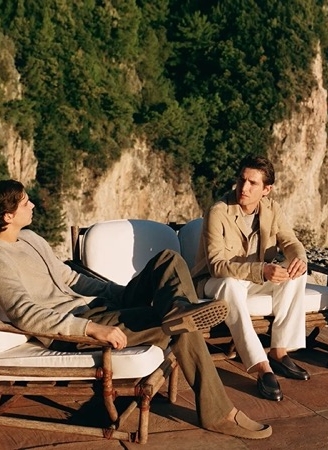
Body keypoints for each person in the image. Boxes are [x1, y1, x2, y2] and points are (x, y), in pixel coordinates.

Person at [0, 179, 272, 439]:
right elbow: (25, 313)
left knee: (169, 260)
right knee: (178, 327)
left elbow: (71, 278)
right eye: (25, 203)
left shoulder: (31, 238)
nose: (32, 205)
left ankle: (178, 308)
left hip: (99, 306)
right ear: (8, 216)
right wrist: (91, 328)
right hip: (77, 326)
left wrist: (120, 293)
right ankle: (218, 413)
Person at [191, 155, 310, 402]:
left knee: (296, 273)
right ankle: (261, 366)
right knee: (231, 285)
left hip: (252, 279)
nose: (243, 188)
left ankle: (279, 351)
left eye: (252, 183)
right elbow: (217, 266)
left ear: (267, 190)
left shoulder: (272, 209)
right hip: (213, 282)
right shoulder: (218, 211)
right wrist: (262, 270)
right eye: (241, 180)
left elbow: (290, 241)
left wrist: (299, 259)